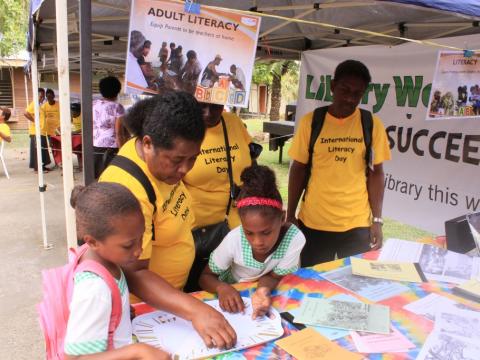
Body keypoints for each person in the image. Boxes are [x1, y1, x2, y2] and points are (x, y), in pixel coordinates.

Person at [100, 91, 237, 349]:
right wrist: (196, 311)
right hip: (143, 313)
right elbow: (133, 271)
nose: (186, 170)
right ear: (148, 143)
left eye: (193, 158)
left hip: (171, 302)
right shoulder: (127, 189)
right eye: (177, 160)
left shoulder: (157, 160)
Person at [287, 59, 391, 266]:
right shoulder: (312, 122)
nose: (350, 98)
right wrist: (290, 214)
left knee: (354, 282)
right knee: (312, 284)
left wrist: (377, 220)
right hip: (314, 223)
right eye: (345, 90)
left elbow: (377, 173)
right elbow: (298, 168)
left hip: (356, 225)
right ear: (333, 87)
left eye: (357, 94)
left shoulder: (371, 124)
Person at [65, 182, 170, 359]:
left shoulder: (103, 259)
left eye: (141, 238)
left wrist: (118, 312)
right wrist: (137, 351)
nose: (139, 250)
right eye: (128, 245)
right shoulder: (95, 290)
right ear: (92, 242)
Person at [199, 165, 306, 318]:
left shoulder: (294, 239)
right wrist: (222, 288)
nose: (257, 242)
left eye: (266, 232)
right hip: (231, 295)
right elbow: (205, 277)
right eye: (249, 233)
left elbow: (275, 277)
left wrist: (262, 291)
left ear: (282, 218)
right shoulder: (234, 240)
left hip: (262, 291)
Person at [183, 103, 256, 291]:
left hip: (236, 223)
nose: (208, 113)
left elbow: (251, 158)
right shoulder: (182, 128)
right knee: (198, 286)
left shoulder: (233, 122)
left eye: (215, 106)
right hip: (197, 230)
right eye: (201, 106)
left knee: (234, 288)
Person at [92, 76, 126, 178]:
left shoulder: (93, 104)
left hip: (95, 146)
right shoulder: (117, 107)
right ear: (117, 90)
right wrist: (122, 152)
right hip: (111, 149)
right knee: (111, 178)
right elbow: (119, 133)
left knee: (98, 177)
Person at [24, 88, 51, 172]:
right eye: (41, 96)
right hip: (35, 132)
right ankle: (37, 168)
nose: (42, 98)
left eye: (43, 97)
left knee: (42, 150)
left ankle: (42, 166)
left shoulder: (39, 105)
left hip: (41, 131)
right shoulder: (34, 104)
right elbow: (26, 113)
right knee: (37, 151)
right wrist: (34, 121)